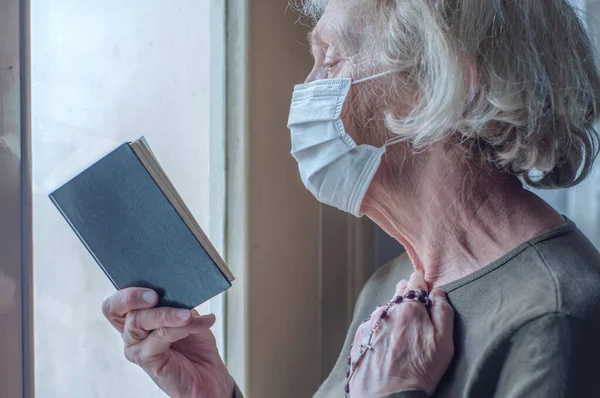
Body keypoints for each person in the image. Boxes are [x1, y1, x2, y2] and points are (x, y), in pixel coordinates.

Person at [102, 0, 600, 397]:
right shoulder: (393, 285)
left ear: (441, 87)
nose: (308, 87)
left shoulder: (557, 319)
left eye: (331, 58)